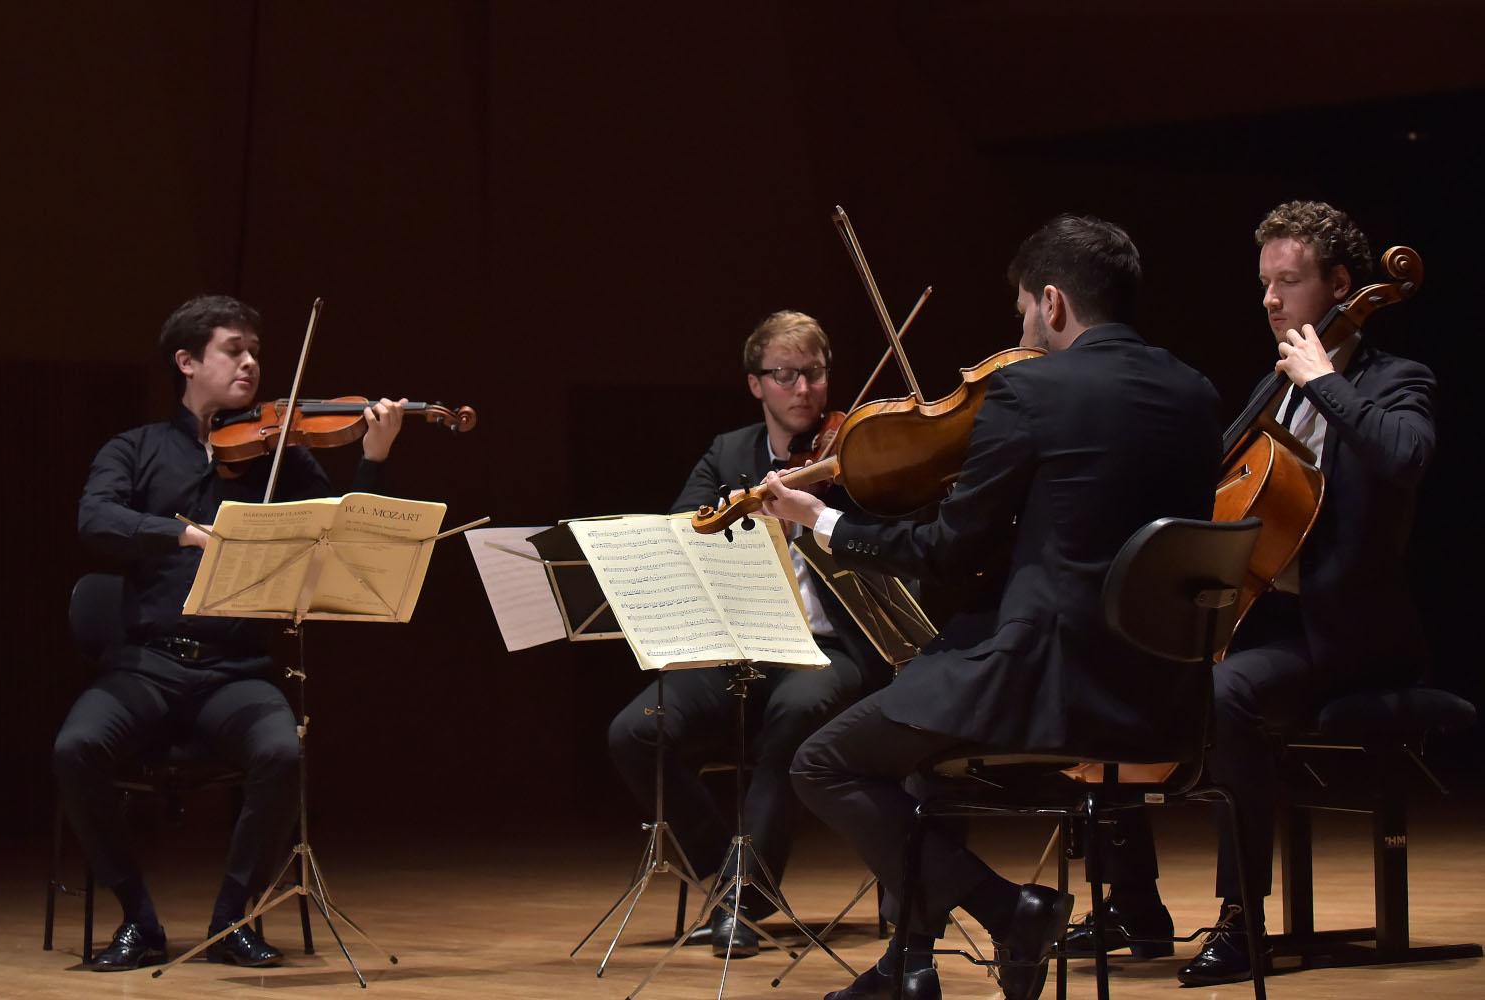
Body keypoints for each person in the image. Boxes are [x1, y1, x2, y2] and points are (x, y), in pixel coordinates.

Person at [762, 216, 1222, 1000]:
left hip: (1047, 687)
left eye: (1022, 312)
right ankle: (908, 967)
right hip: (1166, 699)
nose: (1021, 332)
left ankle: (1008, 910)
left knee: (824, 762)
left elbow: (947, 548)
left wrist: (823, 521)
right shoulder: (1196, 393)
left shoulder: (1031, 390)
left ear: (1052, 301)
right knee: (922, 716)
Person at [1058, 200, 1438, 986]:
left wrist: (1324, 381)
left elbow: (1404, 457)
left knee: (1227, 692)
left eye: (1288, 282)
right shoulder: (1275, 387)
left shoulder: (1392, 380)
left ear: (1341, 285)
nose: (1270, 299)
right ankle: (1134, 903)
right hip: (1267, 621)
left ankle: (1242, 921)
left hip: (1345, 634)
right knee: (1101, 668)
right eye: (1264, 282)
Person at [54, 295, 408, 971]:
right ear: (187, 362)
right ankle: (138, 920)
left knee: (280, 753)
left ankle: (233, 920)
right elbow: (95, 518)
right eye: (233, 350)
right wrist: (179, 533)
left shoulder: (280, 455)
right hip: (146, 665)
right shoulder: (135, 449)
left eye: (255, 353)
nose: (250, 364)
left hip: (236, 669)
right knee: (76, 749)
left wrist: (375, 456)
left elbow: (349, 535)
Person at [606, 310, 892, 957]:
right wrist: (752, 521)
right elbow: (685, 530)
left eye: (814, 373)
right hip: (745, 649)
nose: (803, 389)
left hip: (830, 650)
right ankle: (728, 871)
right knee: (635, 732)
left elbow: (894, 546)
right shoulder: (729, 454)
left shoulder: (856, 456)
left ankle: (743, 897)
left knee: (795, 714)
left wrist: (816, 516)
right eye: (785, 375)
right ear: (755, 384)